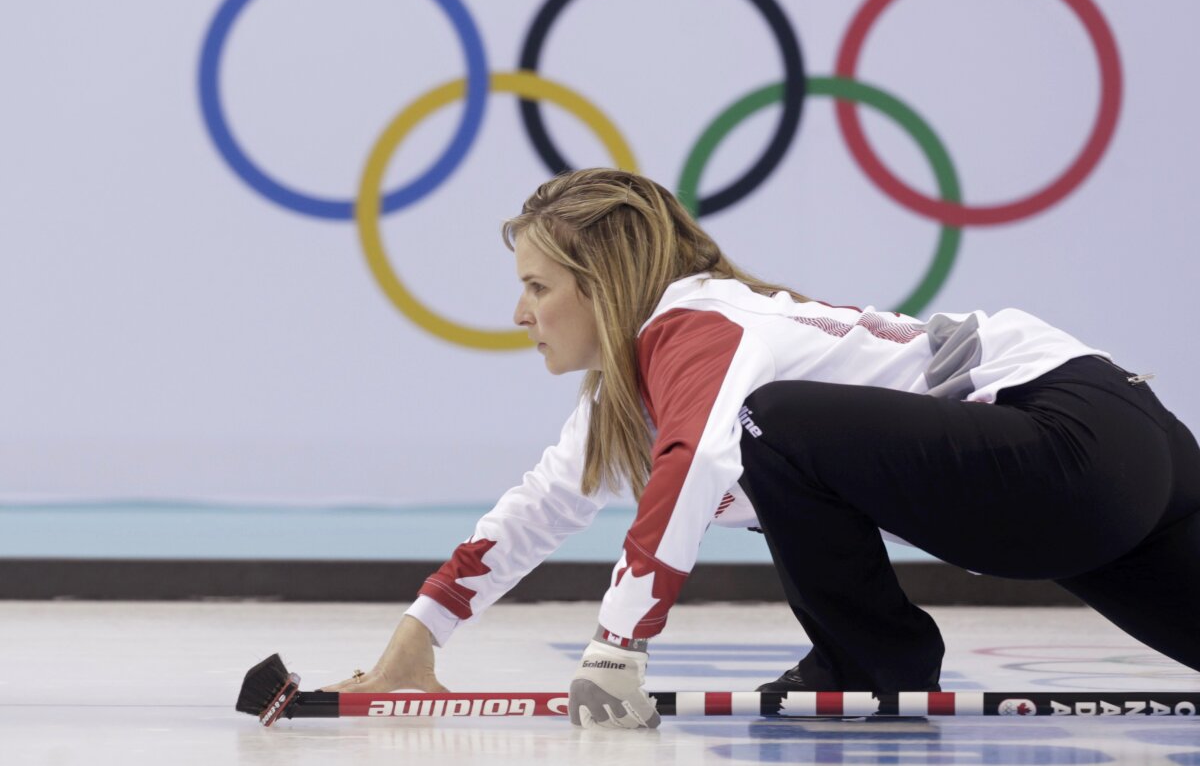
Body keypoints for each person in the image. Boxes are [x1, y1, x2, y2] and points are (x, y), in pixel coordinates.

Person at [321, 168, 1200, 728]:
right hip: (1119, 460)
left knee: (767, 422)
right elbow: (540, 507)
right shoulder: (640, 388)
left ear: (602, 287)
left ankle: (869, 662)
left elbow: (699, 462)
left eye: (536, 286)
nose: (520, 314)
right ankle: (870, 659)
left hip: (1066, 436)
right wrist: (416, 640)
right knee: (766, 425)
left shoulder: (696, 326)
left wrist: (618, 647)